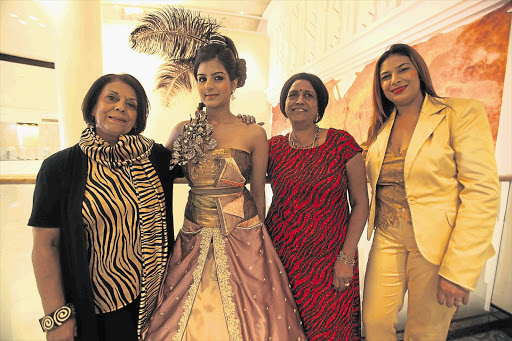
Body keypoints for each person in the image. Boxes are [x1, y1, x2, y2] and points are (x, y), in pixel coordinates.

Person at [142, 35, 306, 341]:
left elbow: (258, 192)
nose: (209, 86)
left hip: (244, 234)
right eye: (202, 79)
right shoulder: (182, 130)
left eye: (218, 78)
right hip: (194, 234)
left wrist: (259, 240)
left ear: (234, 82)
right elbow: (154, 173)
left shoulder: (254, 132)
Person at [362, 43, 500, 340]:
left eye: (402, 69)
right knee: (373, 323)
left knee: (425, 333)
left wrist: (459, 270)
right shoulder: (381, 130)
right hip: (387, 237)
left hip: (437, 244)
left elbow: (482, 193)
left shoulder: (459, 113)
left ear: (420, 72)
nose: (394, 80)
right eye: (385, 76)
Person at [29, 73, 182, 341]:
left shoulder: (154, 159)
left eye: (131, 104)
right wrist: (56, 317)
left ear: (138, 116)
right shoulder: (59, 168)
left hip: (153, 302)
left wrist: (239, 123)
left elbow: (203, 162)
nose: (121, 106)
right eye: (112, 98)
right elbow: (45, 246)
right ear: (92, 106)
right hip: (95, 307)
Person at [265, 72, 369, 340]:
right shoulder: (273, 148)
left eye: (308, 95)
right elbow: (240, 164)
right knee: (286, 329)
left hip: (331, 261)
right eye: (293, 94)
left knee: (331, 331)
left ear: (319, 106)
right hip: (283, 259)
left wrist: (346, 258)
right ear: (284, 104)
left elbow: (360, 204)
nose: (299, 100)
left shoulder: (341, 143)